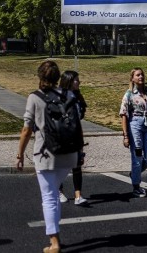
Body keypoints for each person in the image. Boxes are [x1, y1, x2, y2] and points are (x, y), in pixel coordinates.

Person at [16, 60, 80, 253]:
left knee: (49, 197)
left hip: (46, 154)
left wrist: (19, 154)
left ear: (40, 77)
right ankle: (56, 233)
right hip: (68, 154)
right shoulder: (69, 94)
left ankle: (54, 243)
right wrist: (79, 151)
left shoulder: (34, 98)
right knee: (53, 194)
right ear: (57, 76)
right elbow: (77, 124)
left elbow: (27, 130)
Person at [118, 68, 147, 198]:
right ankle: (136, 185)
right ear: (132, 78)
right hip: (135, 124)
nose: (141, 77)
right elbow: (123, 114)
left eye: (142, 74)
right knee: (137, 156)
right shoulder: (129, 94)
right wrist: (125, 136)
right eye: (138, 75)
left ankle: (135, 173)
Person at [58, 70, 88, 206]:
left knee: (77, 165)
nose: (79, 82)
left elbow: (79, 119)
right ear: (69, 81)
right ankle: (59, 191)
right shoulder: (59, 98)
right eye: (76, 79)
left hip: (75, 134)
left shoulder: (77, 97)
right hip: (62, 136)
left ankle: (78, 195)